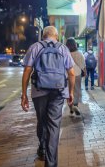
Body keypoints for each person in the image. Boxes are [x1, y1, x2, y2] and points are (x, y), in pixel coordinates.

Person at [21, 26, 75, 166]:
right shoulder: (63, 48)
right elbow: (72, 73)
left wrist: (24, 94)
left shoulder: (35, 47)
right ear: (56, 36)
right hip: (58, 92)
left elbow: (27, 70)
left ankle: (43, 148)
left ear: (43, 36)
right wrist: (71, 92)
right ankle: (51, 164)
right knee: (53, 126)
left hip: (38, 92)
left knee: (42, 120)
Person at [65, 38, 86, 116]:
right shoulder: (79, 53)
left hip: (67, 74)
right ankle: (75, 105)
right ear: (75, 44)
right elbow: (83, 64)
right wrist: (84, 71)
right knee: (77, 90)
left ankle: (71, 107)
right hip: (77, 74)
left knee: (69, 91)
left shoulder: (66, 53)